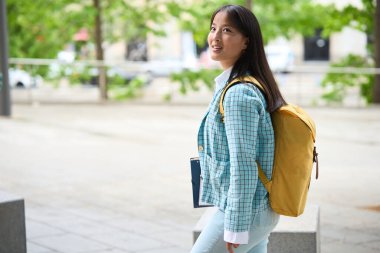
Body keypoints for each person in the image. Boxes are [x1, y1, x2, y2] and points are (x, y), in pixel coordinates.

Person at [191, 4, 287, 253]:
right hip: (254, 208)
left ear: (246, 42)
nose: (216, 37)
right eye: (214, 28)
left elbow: (243, 164)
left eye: (227, 30)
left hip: (245, 212)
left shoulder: (238, 94)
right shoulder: (237, 85)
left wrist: (235, 225)